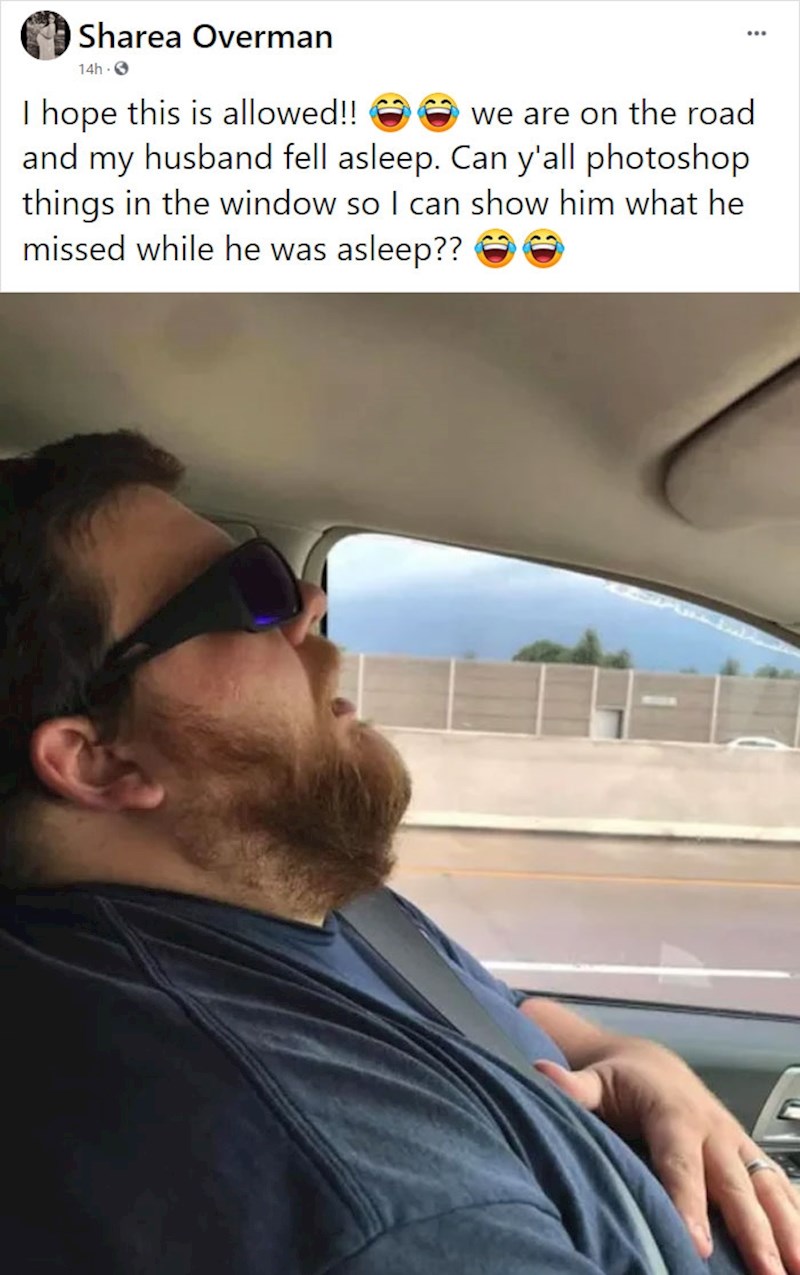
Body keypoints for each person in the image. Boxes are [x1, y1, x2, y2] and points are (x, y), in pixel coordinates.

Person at [0, 429, 797, 1275]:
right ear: (100, 761)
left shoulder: (282, 896)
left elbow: (493, 1009)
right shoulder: (361, 1191)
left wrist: (630, 1056)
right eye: (238, 594)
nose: (307, 602)